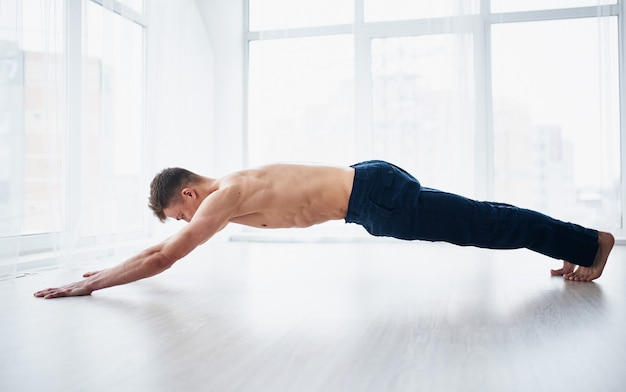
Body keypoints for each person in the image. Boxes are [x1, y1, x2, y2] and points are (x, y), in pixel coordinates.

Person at [34, 160, 615, 299]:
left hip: (375, 197)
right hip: (371, 193)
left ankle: (591, 243)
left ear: (188, 194)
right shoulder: (231, 189)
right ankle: (575, 246)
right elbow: (163, 248)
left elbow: (166, 258)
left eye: (182, 215)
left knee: (485, 223)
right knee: (483, 220)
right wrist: (109, 269)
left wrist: (88, 286)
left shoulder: (224, 198)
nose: (188, 225)